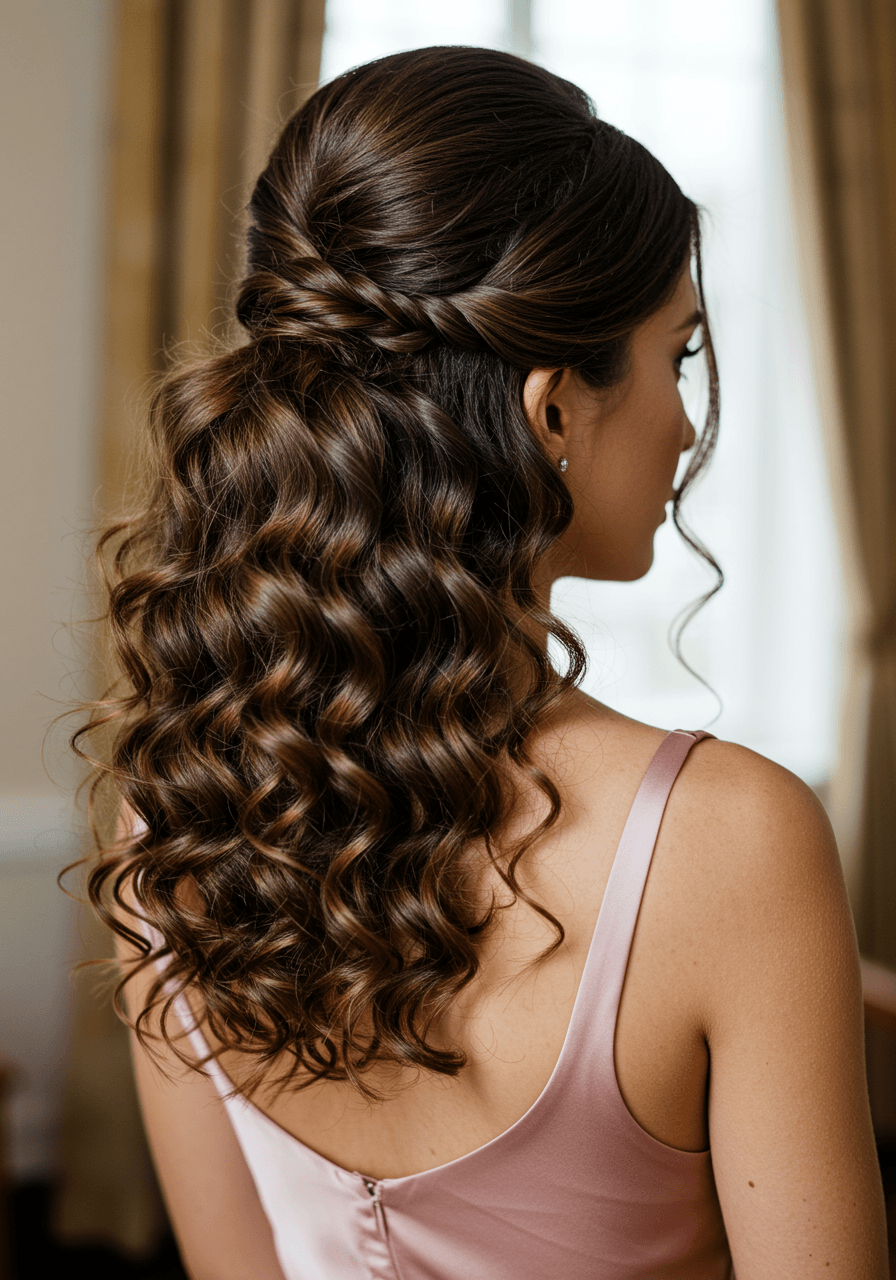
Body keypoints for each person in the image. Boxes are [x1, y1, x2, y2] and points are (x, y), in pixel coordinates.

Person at [77, 45, 888, 1280]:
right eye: (675, 359)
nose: (682, 422)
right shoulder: (730, 836)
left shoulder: (176, 814)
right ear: (551, 408)